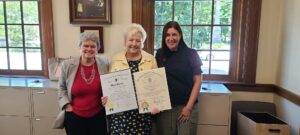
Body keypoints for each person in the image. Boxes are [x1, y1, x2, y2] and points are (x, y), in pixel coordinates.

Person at [102, 23, 159, 135]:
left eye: (138, 40)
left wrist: (157, 104)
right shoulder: (115, 59)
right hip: (120, 115)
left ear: (143, 43)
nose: (134, 43)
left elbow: (156, 86)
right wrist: (106, 99)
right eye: (131, 40)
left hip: (143, 114)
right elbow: (110, 86)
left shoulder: (150, 59)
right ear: (125, 41)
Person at [54, 32, 109, 135]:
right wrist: (67, 106)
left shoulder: (104, 64)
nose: (89, 49)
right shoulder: (67, 65)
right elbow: (62, 88)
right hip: (74, 117)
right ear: (80, 47)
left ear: (97, 48)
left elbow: (110, 85)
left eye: (93, 46)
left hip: (98, 116)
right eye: (85, 46)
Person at [154, 21, 203, 135]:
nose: (171, 38)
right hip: (165, 108)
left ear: (180, 35)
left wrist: (188, 108)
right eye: (168, 35)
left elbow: (198, 81)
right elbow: (155, 79)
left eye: (174, 34)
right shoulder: (160, 54)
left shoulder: (191, 53)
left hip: (186, 107)